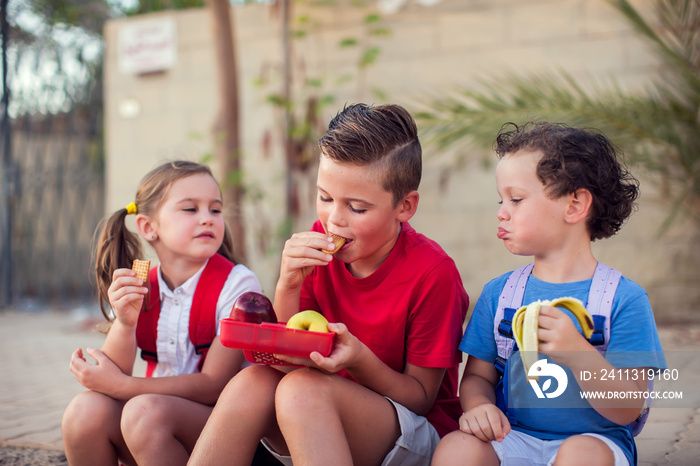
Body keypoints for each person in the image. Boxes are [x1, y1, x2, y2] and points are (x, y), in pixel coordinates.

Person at [188, 103, 469, 466]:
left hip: (416, 431)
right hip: (319, 408)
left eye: (357, 208)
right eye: (324, 198)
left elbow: (420, 398)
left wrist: (360, 361)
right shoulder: (320, 245)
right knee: (253, 381)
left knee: (301, 391)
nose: (334, 220)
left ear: (405, 206)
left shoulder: (433, 273)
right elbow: (291, 360)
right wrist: (287, 286)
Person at [431, 122, 666, 466]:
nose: (501, 211)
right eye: (501, 199)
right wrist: (479, 407)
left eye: (516, 199)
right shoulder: (501, 295)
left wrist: (578, 353)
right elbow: (478, 377)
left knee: (579, 455)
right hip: (513, 436)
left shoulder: (623, 300)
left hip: (594, 442)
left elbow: (628, 406)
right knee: (456, 448)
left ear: (574, 205)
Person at [62, 161, 262, 466]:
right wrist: (125, 323)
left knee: (143, 412)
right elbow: (115, 372)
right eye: (190, 209)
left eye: (215, 210)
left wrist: (123, 387)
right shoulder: (142, 284)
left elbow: (213, 385)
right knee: (84, 411)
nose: (207, 219)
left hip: (224, 431)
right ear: (148, 227)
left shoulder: (237, 284)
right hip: (151, 423)